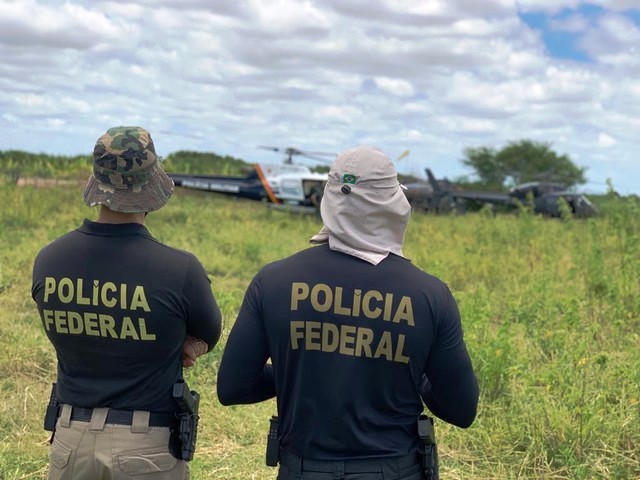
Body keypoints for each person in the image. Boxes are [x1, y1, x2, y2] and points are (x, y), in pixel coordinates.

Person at [217, 146, 479, 480]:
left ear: (329, 199)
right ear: (393, 204)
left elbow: (233, 387)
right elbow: (461, 409)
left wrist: (294, 366)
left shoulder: (273, 280)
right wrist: (414, 375)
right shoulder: (429, 295)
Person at [32, 126, 222, 480]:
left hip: (68, 442)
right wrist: (178, 341)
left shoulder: (48, 261)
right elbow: (209, 333)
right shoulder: (180, 269)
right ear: (151, 187)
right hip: (146, 448)